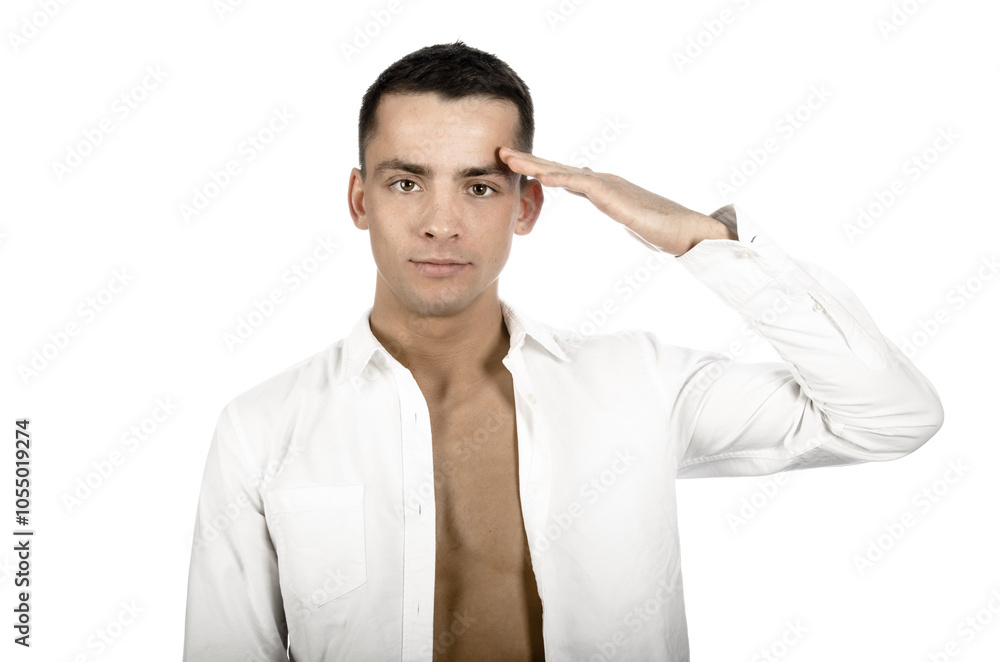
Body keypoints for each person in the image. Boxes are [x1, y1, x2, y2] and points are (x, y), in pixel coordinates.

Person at [182, 41, 944, 662]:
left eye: (480, 187)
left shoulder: (637, 385)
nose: (441, 222)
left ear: (528, 203)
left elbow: (890, 416)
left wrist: (698, 239)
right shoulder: (263, 428)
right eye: (407, 181)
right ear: (360, 200)